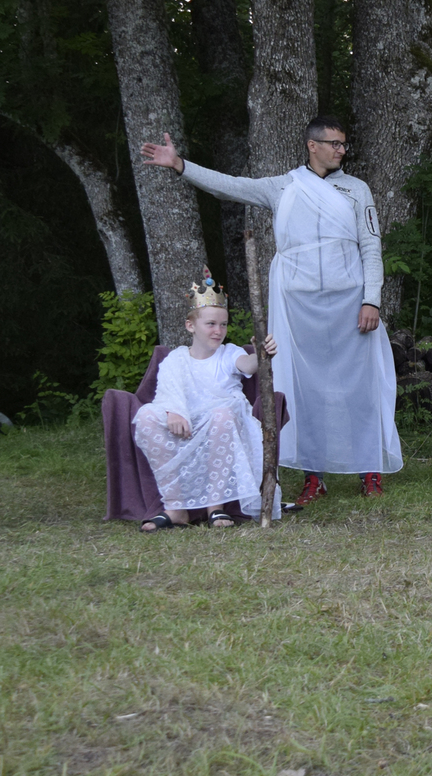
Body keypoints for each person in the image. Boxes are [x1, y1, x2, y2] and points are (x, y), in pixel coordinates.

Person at [141, 117, 401, 504]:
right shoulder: (284, 186)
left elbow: (371, 247)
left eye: (343, 144)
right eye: (334, 143)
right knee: (305, 390)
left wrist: (371, 299)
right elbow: (230, 186)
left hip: (351, 302)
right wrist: (181, 165)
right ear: (312, 145)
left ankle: (370, 470)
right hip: (298, 305)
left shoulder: (356, 189)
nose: (341, 150)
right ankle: (314, 475)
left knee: (359, 387)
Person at [132, 273, 279, 531]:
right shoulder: (176, 359)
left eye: (223, 325)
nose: (218, 331)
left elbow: (248, 365)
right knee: (146, 416)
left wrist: (260, 353)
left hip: (222, 422)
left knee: (222, 414)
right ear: (191, 326)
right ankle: (175, 508)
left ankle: (215, 506)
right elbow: (167, 393)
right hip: (188, 421)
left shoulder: (228, 353)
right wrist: (173, 411)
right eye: (211, 324)